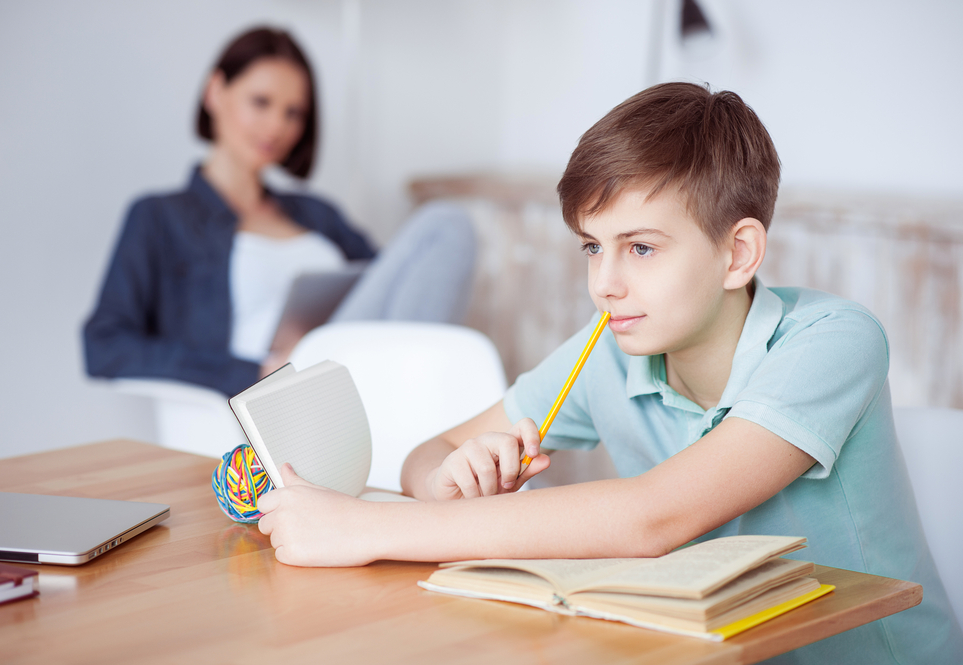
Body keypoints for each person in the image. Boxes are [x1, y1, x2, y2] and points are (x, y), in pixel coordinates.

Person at [255, 82, 962, 663]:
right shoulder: (608, 348)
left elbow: (650, 517)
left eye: (642, 248)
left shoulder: (834, 342)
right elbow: (425, 455)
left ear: (739, 254)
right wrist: (449, 480)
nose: (605, 284)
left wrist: (365, 529)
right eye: (593, 247)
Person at [83, 27, 475, 397]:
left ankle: (396, 397)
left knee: (447, 228)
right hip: (280, 394)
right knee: (444, 224)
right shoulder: (160, 218)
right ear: (215, 91)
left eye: (293, 113)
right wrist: (252, 372)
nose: (277, 126)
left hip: (349, 369)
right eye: (261, 102)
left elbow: (394, 291)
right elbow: (104, 345)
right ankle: (403, 404)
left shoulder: (316, 213)